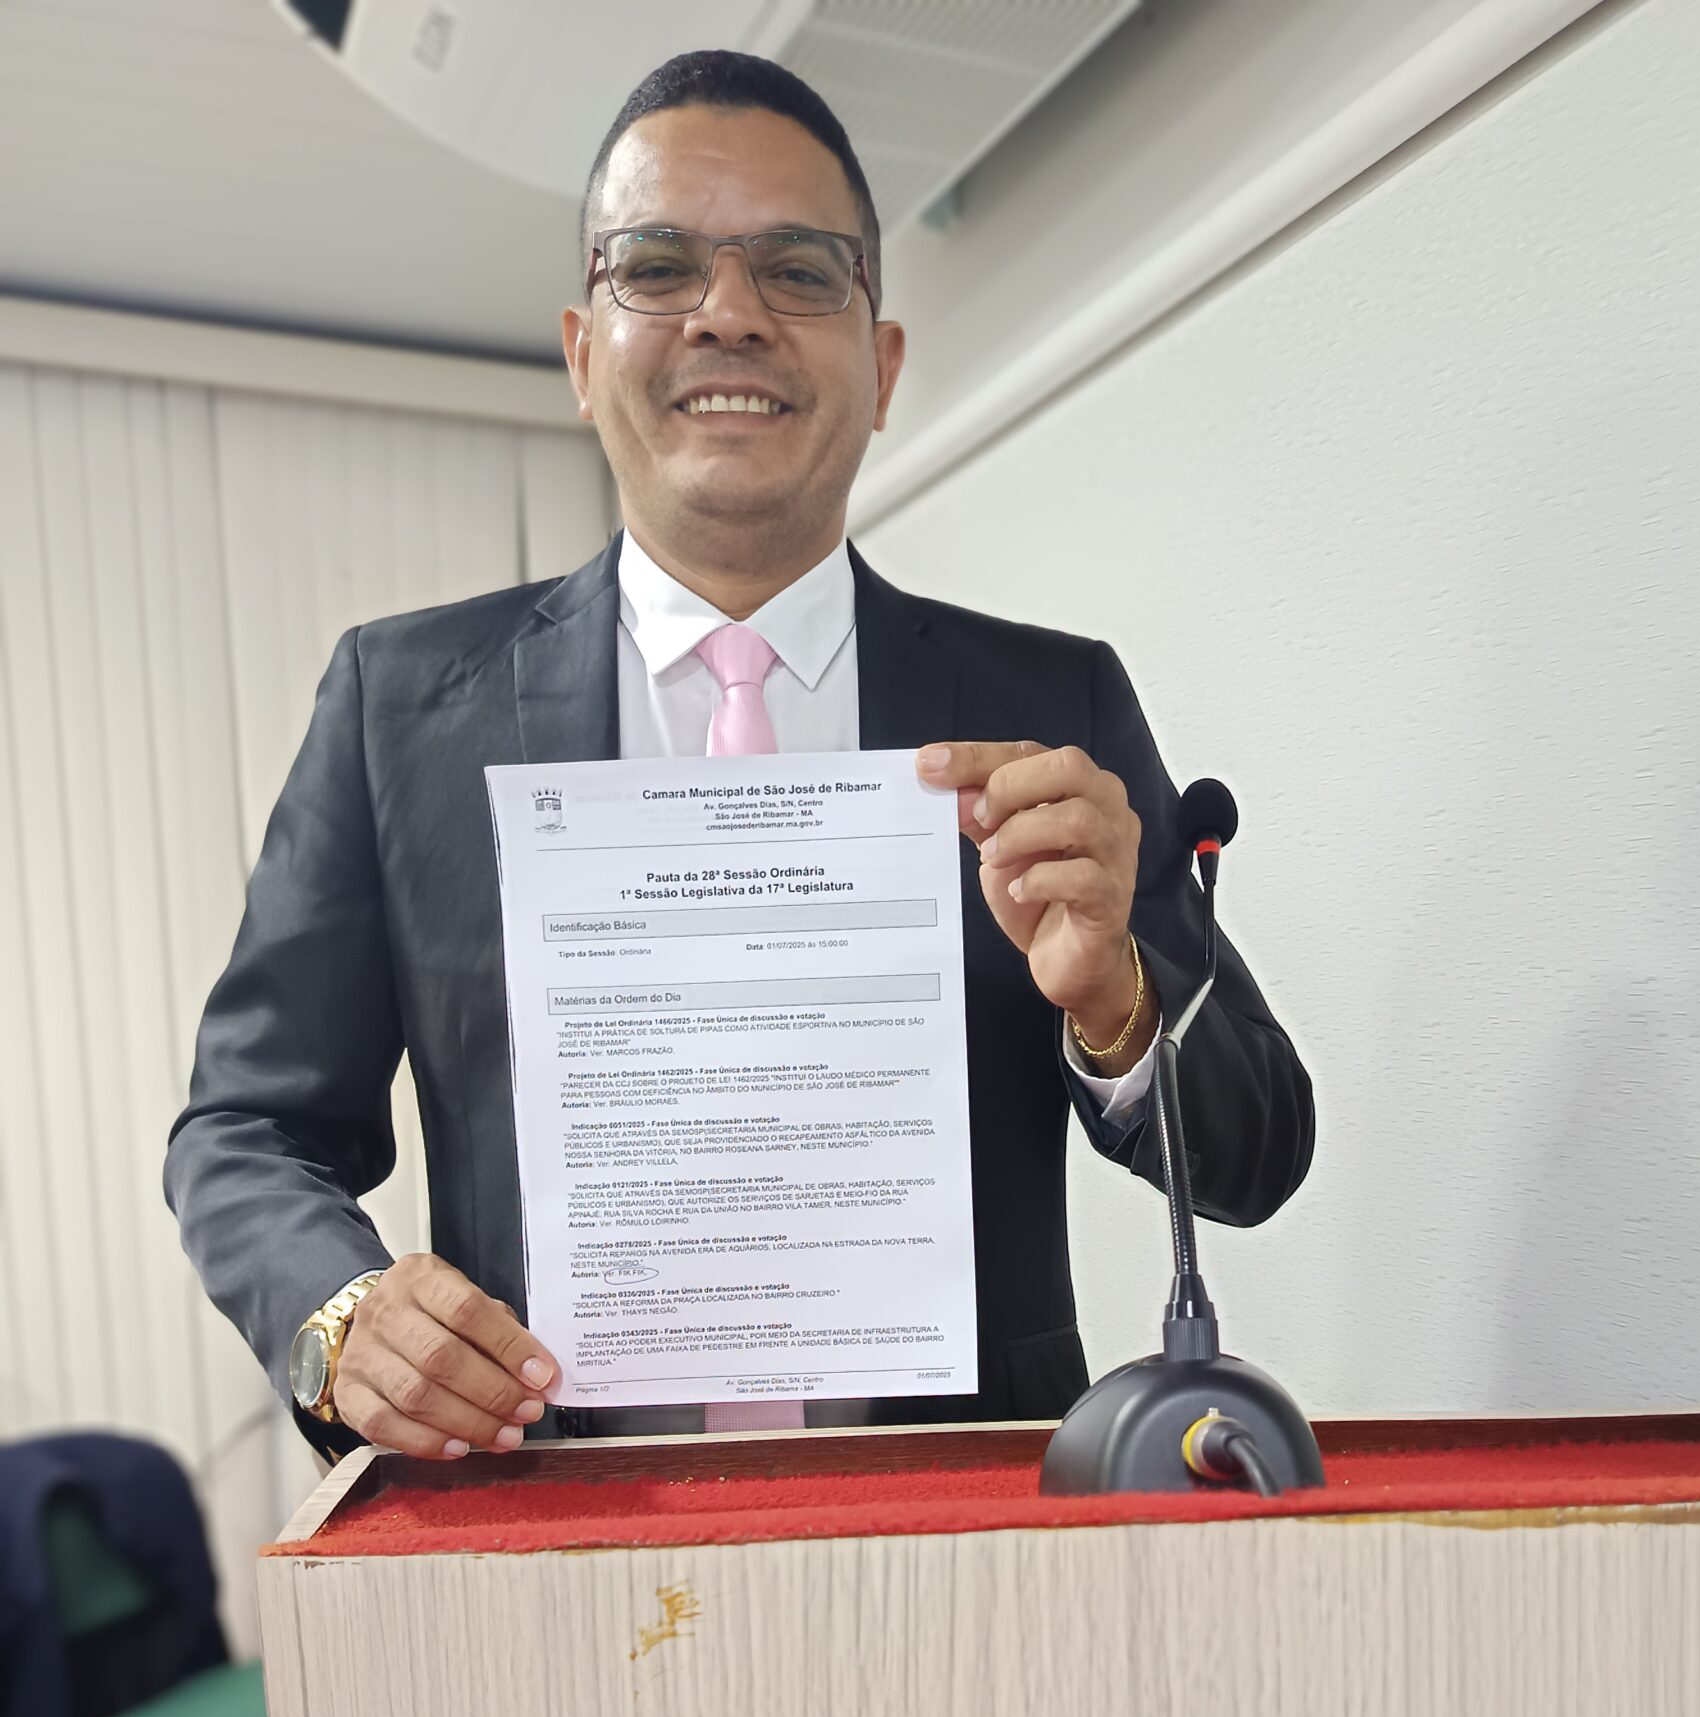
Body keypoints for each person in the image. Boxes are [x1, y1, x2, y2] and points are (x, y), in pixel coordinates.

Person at [165, 50, 1314, 1461]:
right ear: (583, 353)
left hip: (966, 1521)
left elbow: (1261, 1153)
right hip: (548, 1526)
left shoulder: (1048, 704)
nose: (727, 313)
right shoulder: (399, 710)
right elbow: (246, 1129)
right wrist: (342, 1318)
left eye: (799, 270)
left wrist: (1120, 1004)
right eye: (657, 267)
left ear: (882, 369)